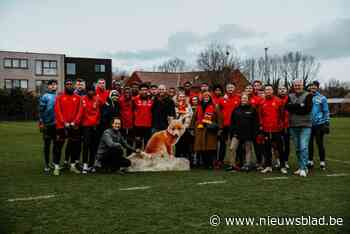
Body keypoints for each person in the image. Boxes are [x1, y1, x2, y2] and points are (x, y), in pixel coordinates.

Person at [53, 79, 83, 176]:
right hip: (61, 126)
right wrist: (64, 122)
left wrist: (75, 122)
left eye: (71, 84)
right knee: (58, 147)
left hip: (74, 127)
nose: (69, 85)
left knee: (74, 147)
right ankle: (56, 167)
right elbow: (58, 111)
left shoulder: (78, 98)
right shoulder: (59, 97)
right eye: (67, 84)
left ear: (73, 85)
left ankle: (73, 166)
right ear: (65, 85)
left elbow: (80, 111)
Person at [286, 79, 313, 177]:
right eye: (295, 85)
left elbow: (307, 109)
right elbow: (287, 107)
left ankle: (303, 168)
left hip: (305, 125)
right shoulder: (290, 96)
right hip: (293, 125)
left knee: (303, 146)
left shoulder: (308, 95)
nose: (297, 87)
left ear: (303, 85)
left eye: (299, 85)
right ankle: (302, 166)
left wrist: (294, 108)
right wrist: (299, 105)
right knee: (297, 148)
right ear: (293, 86)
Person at [227, 94, 258, 172]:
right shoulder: (236, 109)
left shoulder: (252, 109)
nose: (243, 99)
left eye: (245, 98)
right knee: (232, 148)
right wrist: (232, 131)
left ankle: (247, 165)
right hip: (237, 133)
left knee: (248, 149)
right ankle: (232, 165)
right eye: (242, 98)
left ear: (248, 99)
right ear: (240, 99)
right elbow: (232, 122)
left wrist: (254, 134)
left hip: (248, 133)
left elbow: (255, 123)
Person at [259, 85, 286, 174]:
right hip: (266, 130)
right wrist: (261, 126)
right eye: (266, 90)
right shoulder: (262, 102)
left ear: (272, 91)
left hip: (277, 130)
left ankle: (282, 166)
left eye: (269, 89)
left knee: (280, 149)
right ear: (264, 91)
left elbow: (282, 115)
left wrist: (281, 126)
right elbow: (260, 116)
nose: (268, 91)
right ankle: (268, 166)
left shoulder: (278, 101)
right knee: (267, 149)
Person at [194, 91, 220, 169]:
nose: (206, 98)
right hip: (200, 129)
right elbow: (194, 118)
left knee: (210, 148)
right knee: (201, 148)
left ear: (210, 98)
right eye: (204, 97)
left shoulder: (214, 106)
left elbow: (219, 118)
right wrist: (191, 128)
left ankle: (211, 163)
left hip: (210, 129)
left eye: (207, 97)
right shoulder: (198, 107)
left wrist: (220, 128)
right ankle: (204, 164)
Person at [308, 81, 330, 170]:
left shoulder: (322, 98)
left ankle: (322, 162)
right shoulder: (307, 96)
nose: (313, 88)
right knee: (309, 144)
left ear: (317, 87)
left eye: (314, 87)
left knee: (319, 143)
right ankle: (310, 161)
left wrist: (327, 122)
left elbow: (326, 111)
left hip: (319, 124)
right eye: (311, 87)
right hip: (308, 124)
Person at [81, 85, 103, 174]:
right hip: (86, 126)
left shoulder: (98, 99)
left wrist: (100, 120)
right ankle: (85, 164)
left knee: (94, 146)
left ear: (94, 92)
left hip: (95, 126)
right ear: (86, 91)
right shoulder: (82, 99)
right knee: (86, 145)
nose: (90, 92)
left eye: (92, 91)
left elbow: (106, 106)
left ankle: (91, 165)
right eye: (89, 91)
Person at [217, 83, 241, 166]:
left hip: (235, 126)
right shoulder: (221, 99)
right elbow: (218, 113)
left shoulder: (238, 98)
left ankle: (236, 161)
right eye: (228, 87)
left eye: (232, 87)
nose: (230, 89)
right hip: (224, 125)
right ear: (226, 89)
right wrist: (220, 126)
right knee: (223, 144)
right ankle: (220, 161)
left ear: (234, 88)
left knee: (235, 144)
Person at [39, 79, 58, 173]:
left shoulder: (59, 96)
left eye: (55, 85)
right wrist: (41, 122)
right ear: (48, 86)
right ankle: (46, 164)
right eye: (52, 85)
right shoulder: (45, 96)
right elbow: (41, 111)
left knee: (56, 144)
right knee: (47, 145)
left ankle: (54, 162)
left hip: (57, 125)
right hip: (47, 125)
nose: (54, 86)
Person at [133, 83, 153, 148]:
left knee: (147, 143)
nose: (144, 91)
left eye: (145, 90)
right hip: (138, 125)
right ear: (139, 91)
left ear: (148, 91)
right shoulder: (135, 99)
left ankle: (146, 156)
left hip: (148, 125)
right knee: (138, 142)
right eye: (142, 90)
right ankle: (137, 155)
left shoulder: (152, 100)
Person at [174, 92, 193, 160]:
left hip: (186, 127)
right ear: (177, 98)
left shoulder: (188, 105)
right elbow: (173, 115)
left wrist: (186, 117)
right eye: (180, 97)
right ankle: (177, 158)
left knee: (186, 144)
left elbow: (191, 115)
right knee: (178, 144)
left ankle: (185, 159)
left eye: (183, 97)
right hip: (177, 128)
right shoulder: (175, 105)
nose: (182, 98)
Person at [119, 87, 134, 154]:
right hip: (122, 123)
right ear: (124, 93)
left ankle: (129, 155)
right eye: (126, 92)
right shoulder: (120, 100)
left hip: (131, 123)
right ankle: (121, 155)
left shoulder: (133, 100)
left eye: (128, 92)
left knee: (130, 141)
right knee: (122, 141)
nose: (127, 94)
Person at [278, 85, 290, 169]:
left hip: (288, 125)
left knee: (287, 144)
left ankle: (285, 161)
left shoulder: (290, 99)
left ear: (286, 90)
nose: (282, 90)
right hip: (278, 126)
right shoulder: (276, 99)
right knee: (278, 145)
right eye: (280, 89)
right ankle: (279, 160)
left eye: (283, 89)